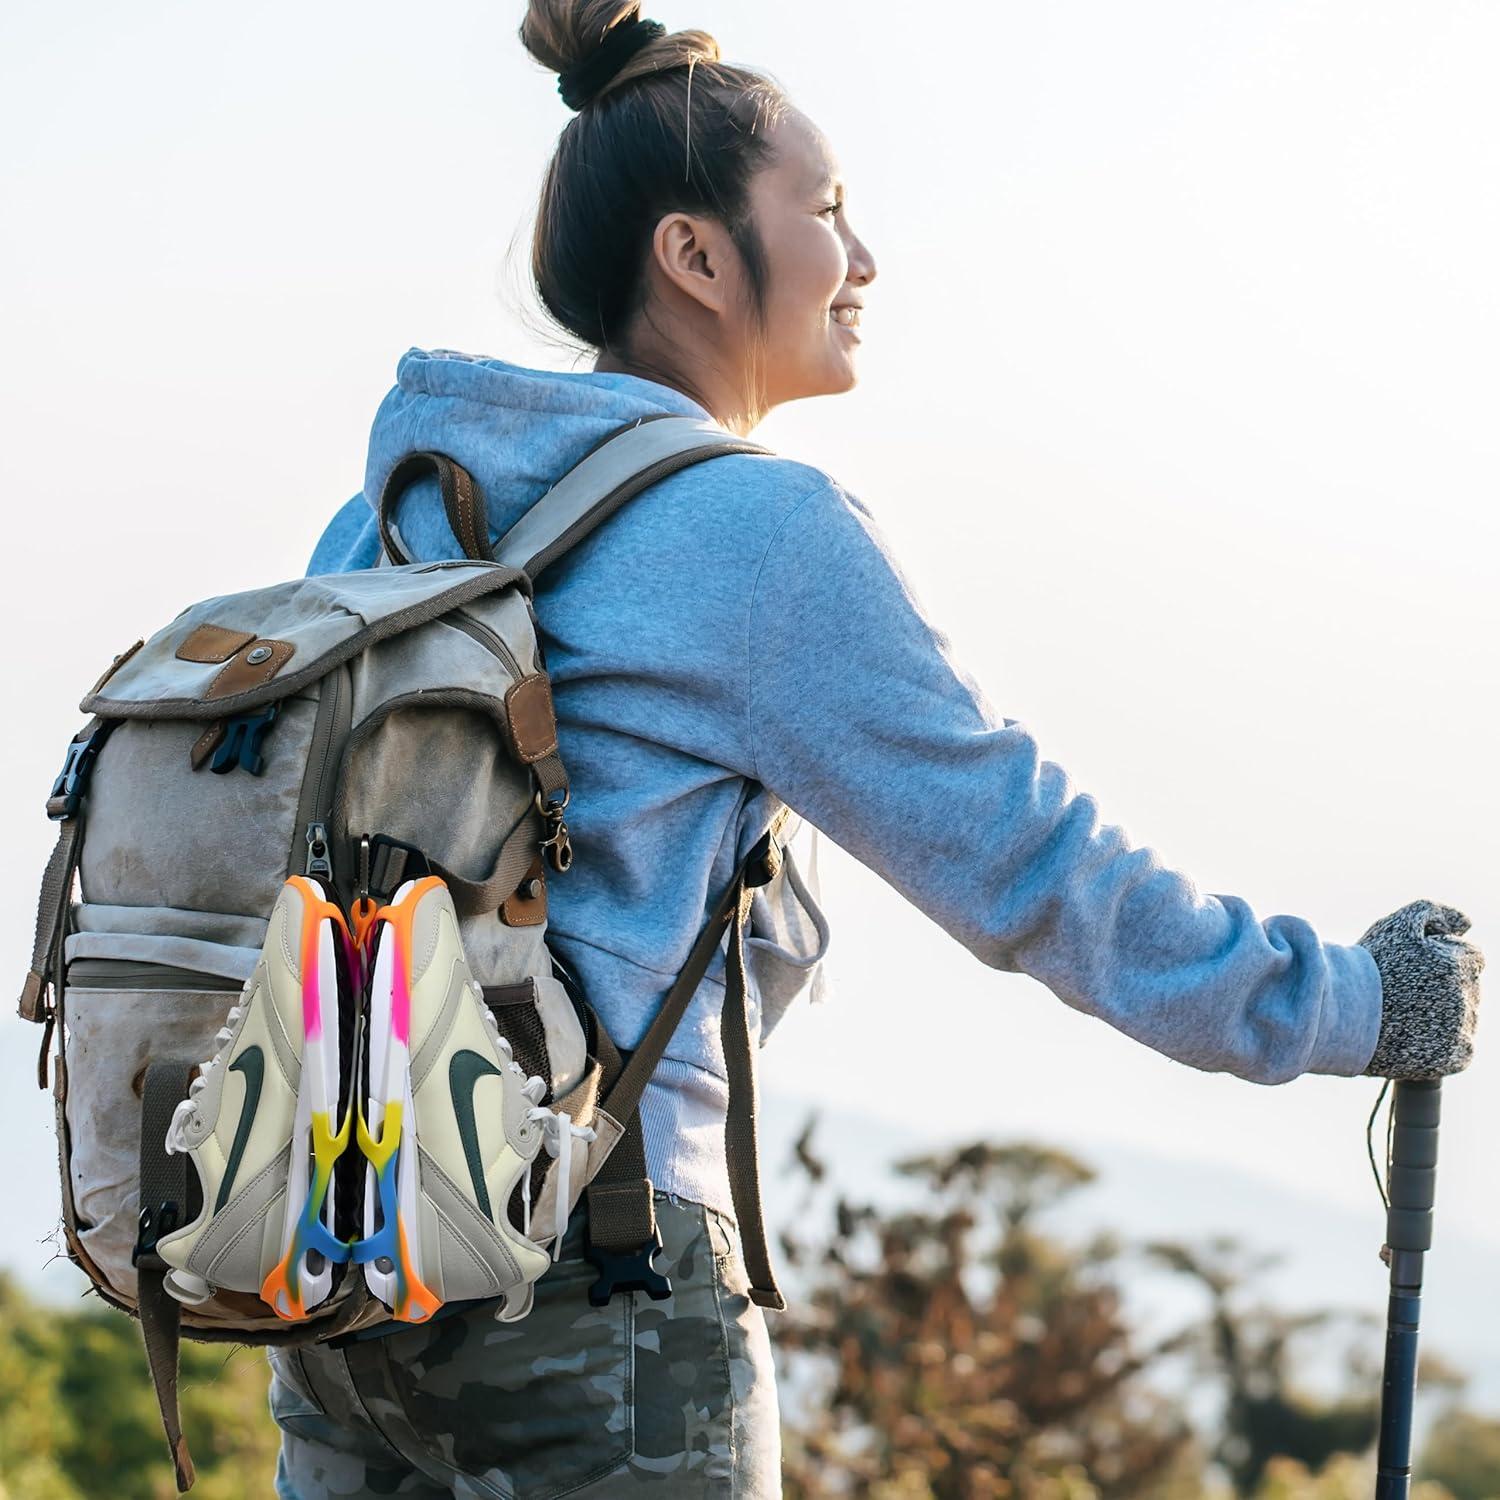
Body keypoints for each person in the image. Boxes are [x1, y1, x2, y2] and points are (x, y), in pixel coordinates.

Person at [272, 4, 1484, 1495]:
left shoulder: (398, 514)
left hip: (342, 1265)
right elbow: (1033, 868)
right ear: (698, 257)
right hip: (598, 1286)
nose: (865, 258)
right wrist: (1355, 1005)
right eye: (829, 209)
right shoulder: (760, 536)